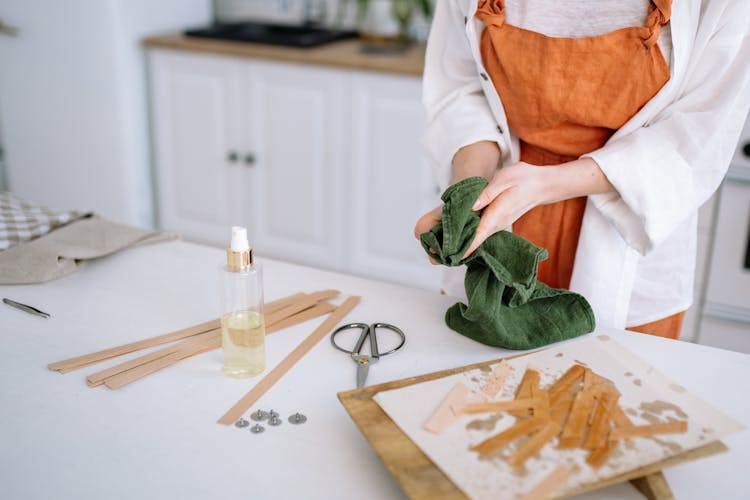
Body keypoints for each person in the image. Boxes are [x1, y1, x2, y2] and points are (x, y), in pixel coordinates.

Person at [414, 0, 750, 339]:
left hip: (631, 231)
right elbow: (461, 89)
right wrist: (472, 192)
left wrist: (548, 184)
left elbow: (700, 134)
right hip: (503, 215)